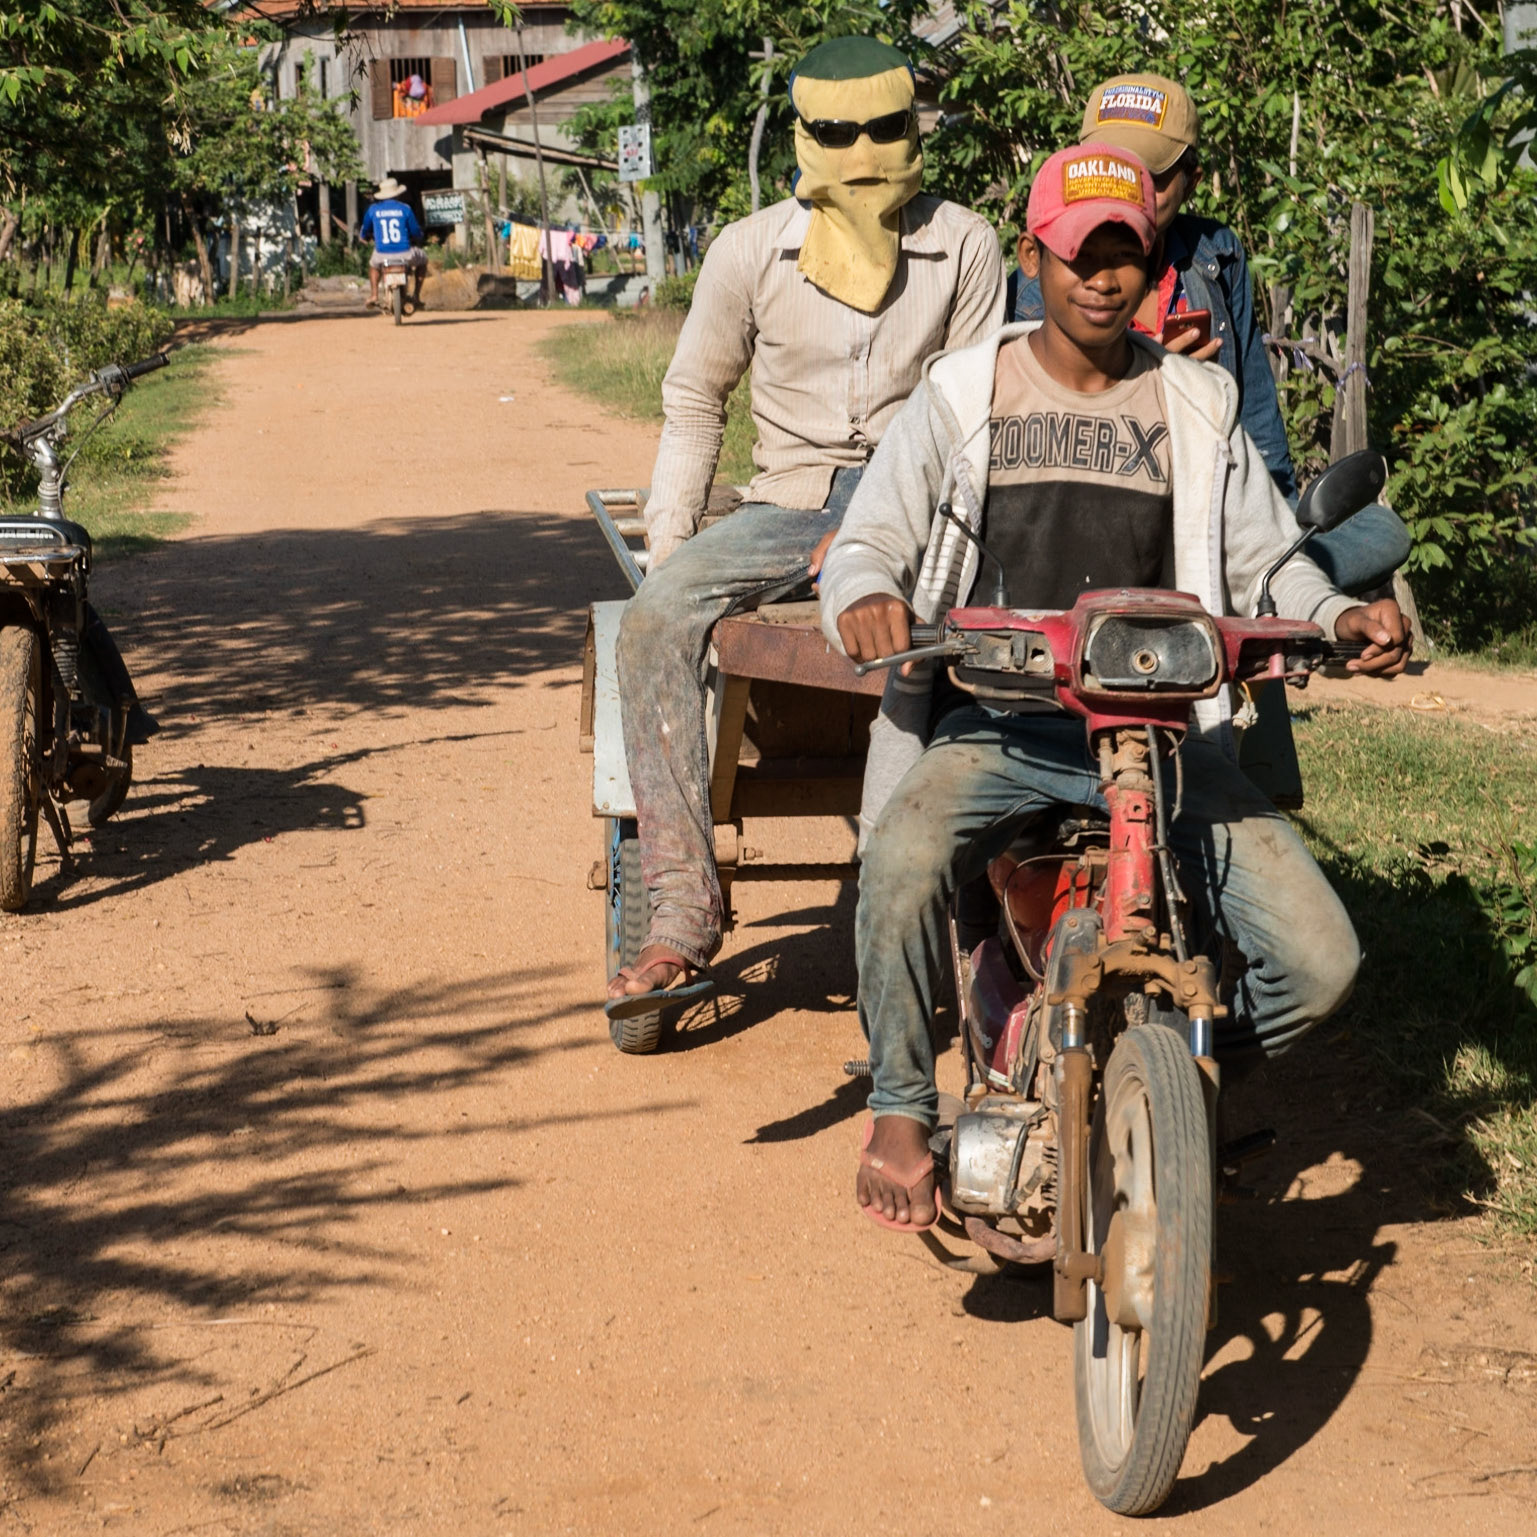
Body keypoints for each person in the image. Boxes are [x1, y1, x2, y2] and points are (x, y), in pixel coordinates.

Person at [817, 143, 1410, 1229]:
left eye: (1123, 254)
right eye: (1077, 253)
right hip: (1000, 724)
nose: (1099, 276)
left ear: (1150, 265)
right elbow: (870, 542)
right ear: (1035, 253)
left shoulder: (1195, 397)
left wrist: (1335, 612)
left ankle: (1178, 1075)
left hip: (1162, 740)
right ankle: (901, 1106)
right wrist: (865, 595)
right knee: (897, 864)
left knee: (1322, 960)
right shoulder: (964, 391)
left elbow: (1266, 558)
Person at [605, 36, 1007, 1019]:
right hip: (784, 503)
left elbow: (975, 413)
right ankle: (681, 910)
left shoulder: (964, 244)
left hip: (919, 505)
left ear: (915, 128)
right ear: (802, 136)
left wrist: (883, 529)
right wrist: (670, 548)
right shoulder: (750, 250)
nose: (863, 152)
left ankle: (995, 890)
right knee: (654, 619)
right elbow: (696, 395)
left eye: (884, 129)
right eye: (837, 133)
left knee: (997, 638)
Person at [360, 177, 426, 310]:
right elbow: (415, 231)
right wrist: (419, 237)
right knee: (423, 260)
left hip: (382, 254)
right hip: (405, 254)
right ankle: (416, 296)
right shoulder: (405, 209)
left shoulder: (373, 210)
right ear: (398, 193)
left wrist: (364, 238)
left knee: (373, 265)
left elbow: (365, 230)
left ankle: (374, 295)